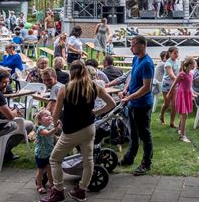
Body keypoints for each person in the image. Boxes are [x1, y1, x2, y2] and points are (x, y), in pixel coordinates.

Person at [42, 61, 115, 202]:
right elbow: (111, 103)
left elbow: (55, 114)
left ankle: (58, 191)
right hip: (89, 128)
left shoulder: (65, 88)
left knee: (54, 159)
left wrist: (55, 124)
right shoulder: (94, 86)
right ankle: (81, 190)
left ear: (71, 72)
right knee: (88, 160)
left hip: (70, 131)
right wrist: (96, 112)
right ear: (85, 71)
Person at [118, 35, 155, 176]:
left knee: (145, 135)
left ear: (142, 45)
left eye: (133, 45)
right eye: (131, 44)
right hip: (133, 102)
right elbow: (132, 77)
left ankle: (146, 163)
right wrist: (125, 89)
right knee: (133, 133)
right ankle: (129, 159)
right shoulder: (136, 59)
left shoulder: (147, 63)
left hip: (142, 105)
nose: (131, 47)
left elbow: (146, 87)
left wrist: (129, 98)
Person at [0, 68, 33, 162]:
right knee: (29, 124)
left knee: (19, 123)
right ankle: (3, 151)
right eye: (4, 82)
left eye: (8, 82)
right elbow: (11, 117)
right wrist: (16, 111)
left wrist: (11, 111)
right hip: (0, 128)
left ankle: (0, 148)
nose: (6, 85)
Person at [167, 57, 195, 143]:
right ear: (189, 65)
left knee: (184, 114)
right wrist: (169, 93)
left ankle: (180, 129)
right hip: (182, 95)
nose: (194, 66)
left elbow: (189, 85)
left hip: (187, 95)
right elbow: (174, 84)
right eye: (194, 64)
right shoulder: (181, 74)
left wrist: (192, 94)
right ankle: (182, 136)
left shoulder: (190, 74)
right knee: (184, 115)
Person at [34, 109, 60, 195]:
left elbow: (56, 132)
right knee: (40, 171)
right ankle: (39, 185)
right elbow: (48, 134)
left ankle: (52, 185)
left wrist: (59, 124)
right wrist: (55, 129)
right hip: (41, 154)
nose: (49, 116)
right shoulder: (40, 128)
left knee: (50, 170)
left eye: (50, 115)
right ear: (40, 120)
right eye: (46, 115)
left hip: (49, 153)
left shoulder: (51, 126)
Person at [160, 46, 180, 128]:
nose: (176, 54)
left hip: (175, 85)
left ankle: (172, 122)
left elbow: (181, 71)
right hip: (167, 85)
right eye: (174, 53)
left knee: (174, 104)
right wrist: (180, 80)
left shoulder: (178, 61)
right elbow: (171, 75)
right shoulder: (168, 63)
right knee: (167, 104)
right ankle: (161, 116)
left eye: (177, 53)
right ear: (170, 53)